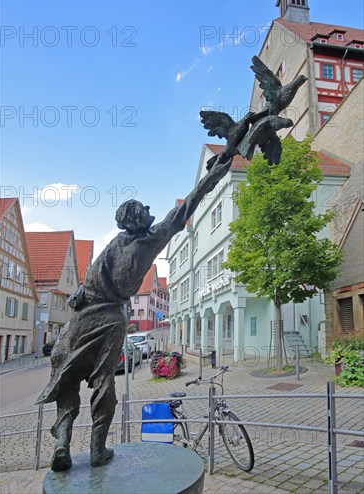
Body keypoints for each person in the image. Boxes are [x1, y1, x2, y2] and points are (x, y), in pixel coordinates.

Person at [36, 151, 233, 472]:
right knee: (103, 383)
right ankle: (97, 450)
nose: (150, 211)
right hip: (110, 318)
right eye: (144, 209)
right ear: (136, 220)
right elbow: (186, 206)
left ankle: (62, 442)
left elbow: (81, 291)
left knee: (66, 379)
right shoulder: (149, 240)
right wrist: (215, 173)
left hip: (80, 320)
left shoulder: (113, 245)